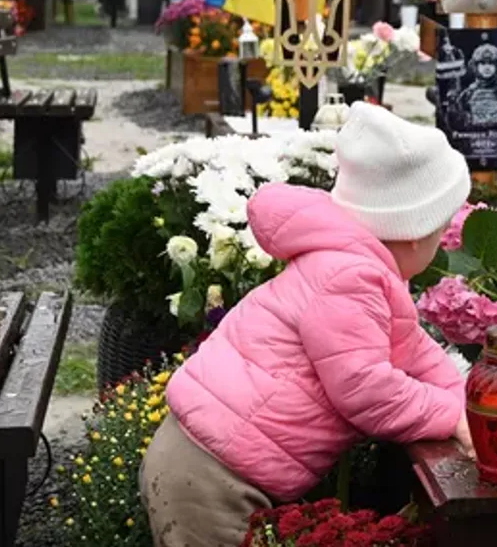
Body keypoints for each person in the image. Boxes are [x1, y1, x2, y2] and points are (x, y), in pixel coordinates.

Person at [140, 103, 474, 547]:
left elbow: (410, 347)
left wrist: (464, 403)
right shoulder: (348, 279)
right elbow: (366, 391)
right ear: (414, 231)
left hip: (208, 459)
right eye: (442, 229)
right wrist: (448, 414)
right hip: (213, 477)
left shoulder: (351, 264)